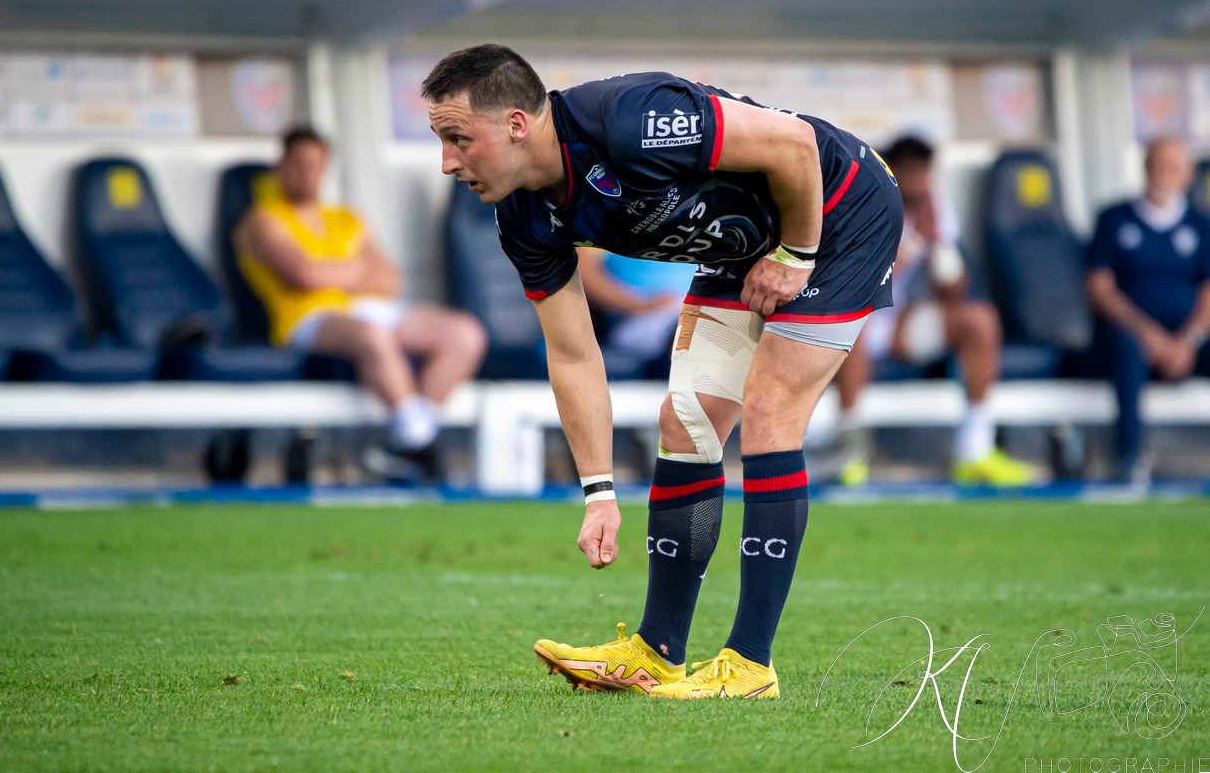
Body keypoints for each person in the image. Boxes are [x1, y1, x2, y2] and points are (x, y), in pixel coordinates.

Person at [421, 44, 902, 699]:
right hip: (745, 244)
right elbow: (573, 353)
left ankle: (751, 664)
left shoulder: (631, 117)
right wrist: (598, 493)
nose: (447, 163)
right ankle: (659, 652)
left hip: (840, 211)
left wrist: (796, 253)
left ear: (515, 124)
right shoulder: (523, 216)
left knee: (768, 413)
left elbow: (793, 144)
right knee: (686, 422)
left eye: (457, 139)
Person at [233, 126, 487, 480]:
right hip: (306, 319)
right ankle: (420, 446)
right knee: (372, 336)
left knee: (464, 333)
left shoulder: (347, 218)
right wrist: (356, 271)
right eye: (299, 164)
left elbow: (390, 280)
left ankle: (411, 438)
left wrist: (330, 272)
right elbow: (303, 276)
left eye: (316, 166)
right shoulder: (263, 220)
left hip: (366, 310)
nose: (307, 174)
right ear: (280, 166)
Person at [830, 135, 1035, 486]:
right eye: (911, 171)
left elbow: (953, 293)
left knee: (979, 320)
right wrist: (916, 242)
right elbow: (862, 281)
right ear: (892, 170)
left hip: (896, 320)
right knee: (853, 326)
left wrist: (941, 250)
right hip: (850, 316)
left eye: (924, 171)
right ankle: (850, 451)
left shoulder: (934, 207)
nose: (919, 181)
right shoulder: (866, 201)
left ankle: (975, 451)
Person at [1086, 137, 1210, 483]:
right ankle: (1131, 457)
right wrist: (1149, 335)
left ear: (1188, 175)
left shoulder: (1201, 225)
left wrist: (1189, 341)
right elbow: (1099, 288)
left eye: (1173, 167)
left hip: (1187, 340)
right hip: (1131, 335)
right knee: (1126, 349)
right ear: (1144, 168)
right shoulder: (1114, 218)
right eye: (1157, 165)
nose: (1163, 174)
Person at [576, 248, 696, 378]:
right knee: (692, 329)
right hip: (637, 318)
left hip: (690, 307)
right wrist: (643, 305)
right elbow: (583, 274)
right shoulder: (592, 236)